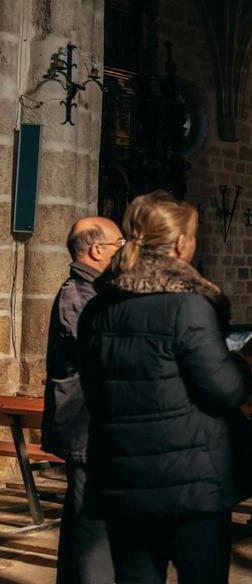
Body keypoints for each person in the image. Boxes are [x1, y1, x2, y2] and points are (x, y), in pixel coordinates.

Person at [78, 192, 252, 584]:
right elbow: (223, 390)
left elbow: (94, 384)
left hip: (122, 477)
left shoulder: (99, 306)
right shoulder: (188, 306)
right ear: (181, 243)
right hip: (188, 484)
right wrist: (236, 363)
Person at [43, 217, 123, 584]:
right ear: (96, 250)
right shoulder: (79, 297)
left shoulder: (96, 293)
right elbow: (107, 355)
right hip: (85, 428)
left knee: (84, 526)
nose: (124, 251)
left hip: (91, 426)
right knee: (93, 534)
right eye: (119, 244)